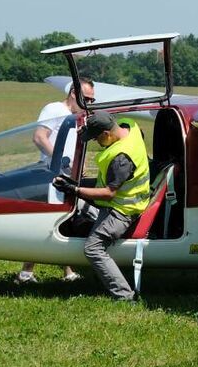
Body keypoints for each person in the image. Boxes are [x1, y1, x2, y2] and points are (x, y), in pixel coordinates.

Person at [53, 111, 151, 303]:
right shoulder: (128, 126)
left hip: (123, 210)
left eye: (97, 138)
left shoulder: (121, 158)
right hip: (124, 200)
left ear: (107, 134)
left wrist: (75, 189)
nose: (96, 142)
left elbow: (109, 193)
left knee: (93, 248)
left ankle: (125, 296)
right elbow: (139, 131)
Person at [15, 76, 95, 285]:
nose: (90, 103)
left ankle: (66, 271)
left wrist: (80, 163)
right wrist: (61, 163)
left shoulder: (78, 116)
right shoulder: (53, 109)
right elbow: (39, 137)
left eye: (92, 100)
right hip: (54, 175)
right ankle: (27, 272)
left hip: (69, 174)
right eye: (87, 98)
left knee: (64, 220)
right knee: (50, 222)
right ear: (73, 94)